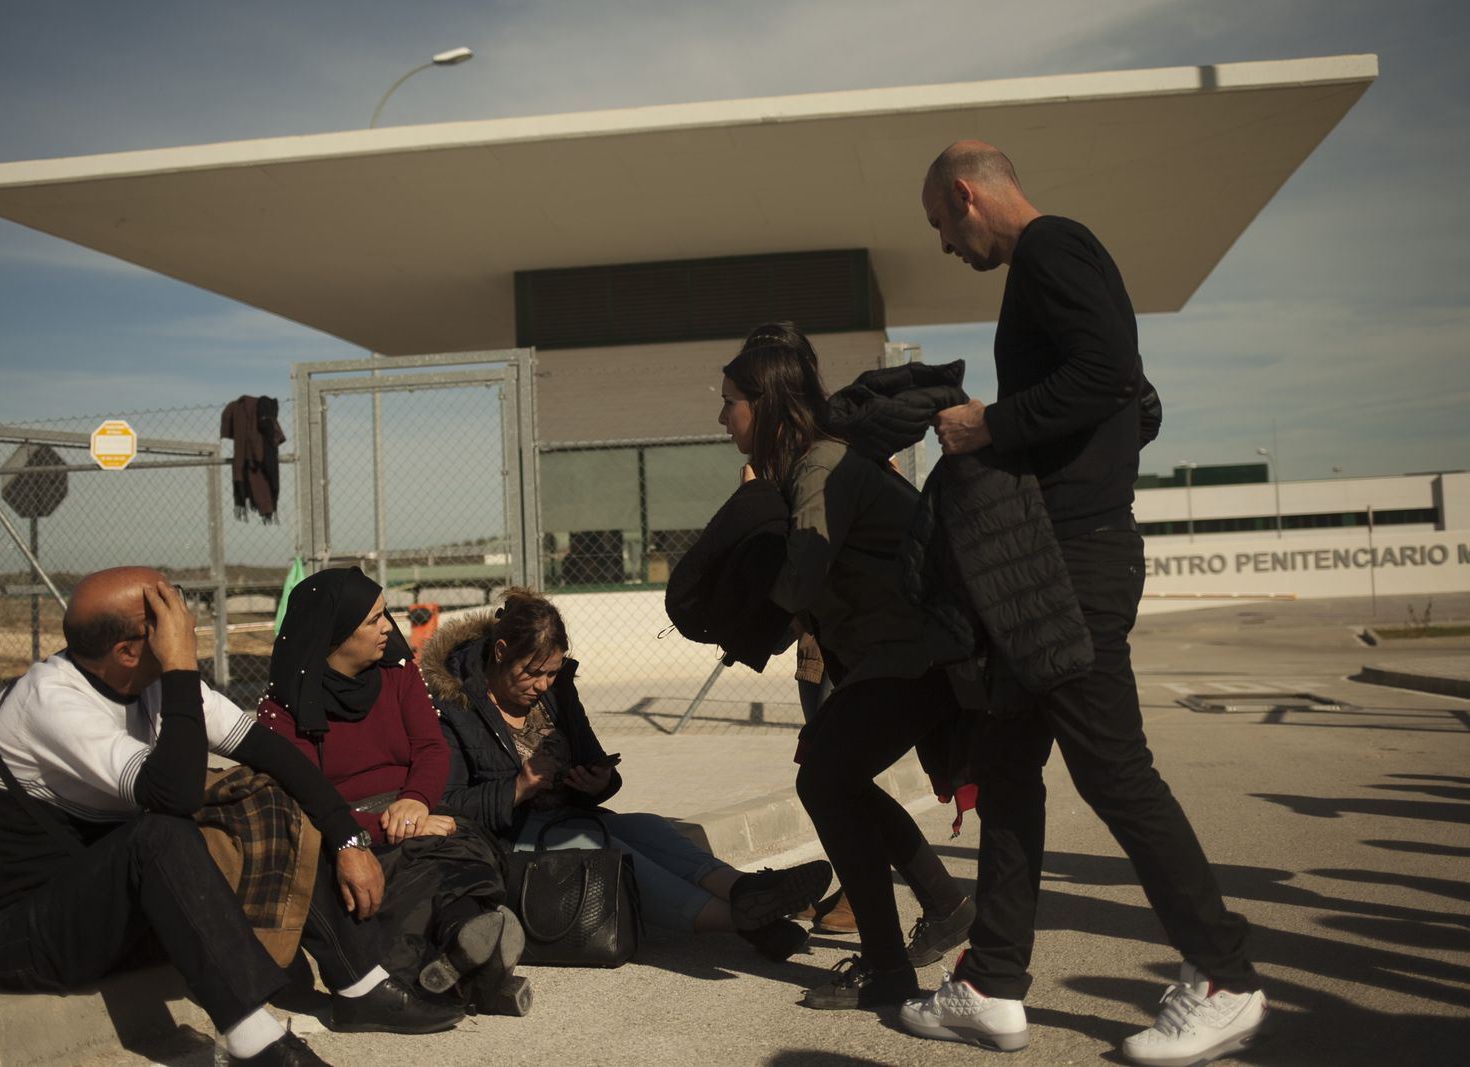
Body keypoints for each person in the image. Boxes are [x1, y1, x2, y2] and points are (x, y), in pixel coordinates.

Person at [899, 141, 1265, 1065]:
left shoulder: (1055, 247)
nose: (945, 243)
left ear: (965, 194)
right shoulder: (1054, 265)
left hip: (1073, 565)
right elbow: (1130, 398)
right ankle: (989, 985)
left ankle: (1223, 973)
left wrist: (990, 423)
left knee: (1114, 769)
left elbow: (1108, 375)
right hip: (1043, 563)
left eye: (941, 223)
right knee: (1009, 768)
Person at [0, 567, 464, 1067]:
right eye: (167, 618)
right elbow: (171, 797)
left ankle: (360, 984)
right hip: (27, 935)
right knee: (159, 832)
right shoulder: (51, 703)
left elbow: (273, 756)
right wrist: (179, 667)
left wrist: (348, 840)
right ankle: (250, 1037)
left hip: (125, 916)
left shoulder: (150, 680)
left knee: (265, 792)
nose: (187, 626)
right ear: (128, 650)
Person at [717, 322, 976, 1010]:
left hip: (914, 655)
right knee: (836, 778)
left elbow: (796, 583)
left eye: (730, 402)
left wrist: (734, 619)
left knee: (827, 780)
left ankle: (890, 969)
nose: (722, 417)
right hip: (900, 656)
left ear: (764, 404)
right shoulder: (811, 464)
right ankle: (943, 907)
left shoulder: (820, 468)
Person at [420, 587, 830, 962]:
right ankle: (751, 921)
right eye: (533, 672)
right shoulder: (453, 705)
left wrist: (598, 783)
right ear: (501, 651)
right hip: (505, 844)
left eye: (552, 672)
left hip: (564, 822)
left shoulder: (557, 692)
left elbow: (594, 761)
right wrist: (519, 787)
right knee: (611, 849)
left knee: (649, 829)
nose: (544, 684)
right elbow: (447, 807)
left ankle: (746, 892)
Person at [257, 567, 530, 1016]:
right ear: (335, 634)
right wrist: (383, 827)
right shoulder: (282, 707)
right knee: (408, 867)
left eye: (386, 615)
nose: (389, 627)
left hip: (412, 809)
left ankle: (465, 949)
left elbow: (429, 747)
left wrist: (416, 802)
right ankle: (477, 963)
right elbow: (304, 795)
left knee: (463, 842)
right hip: (343, 830)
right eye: (373, 620)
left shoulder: (398, 674)